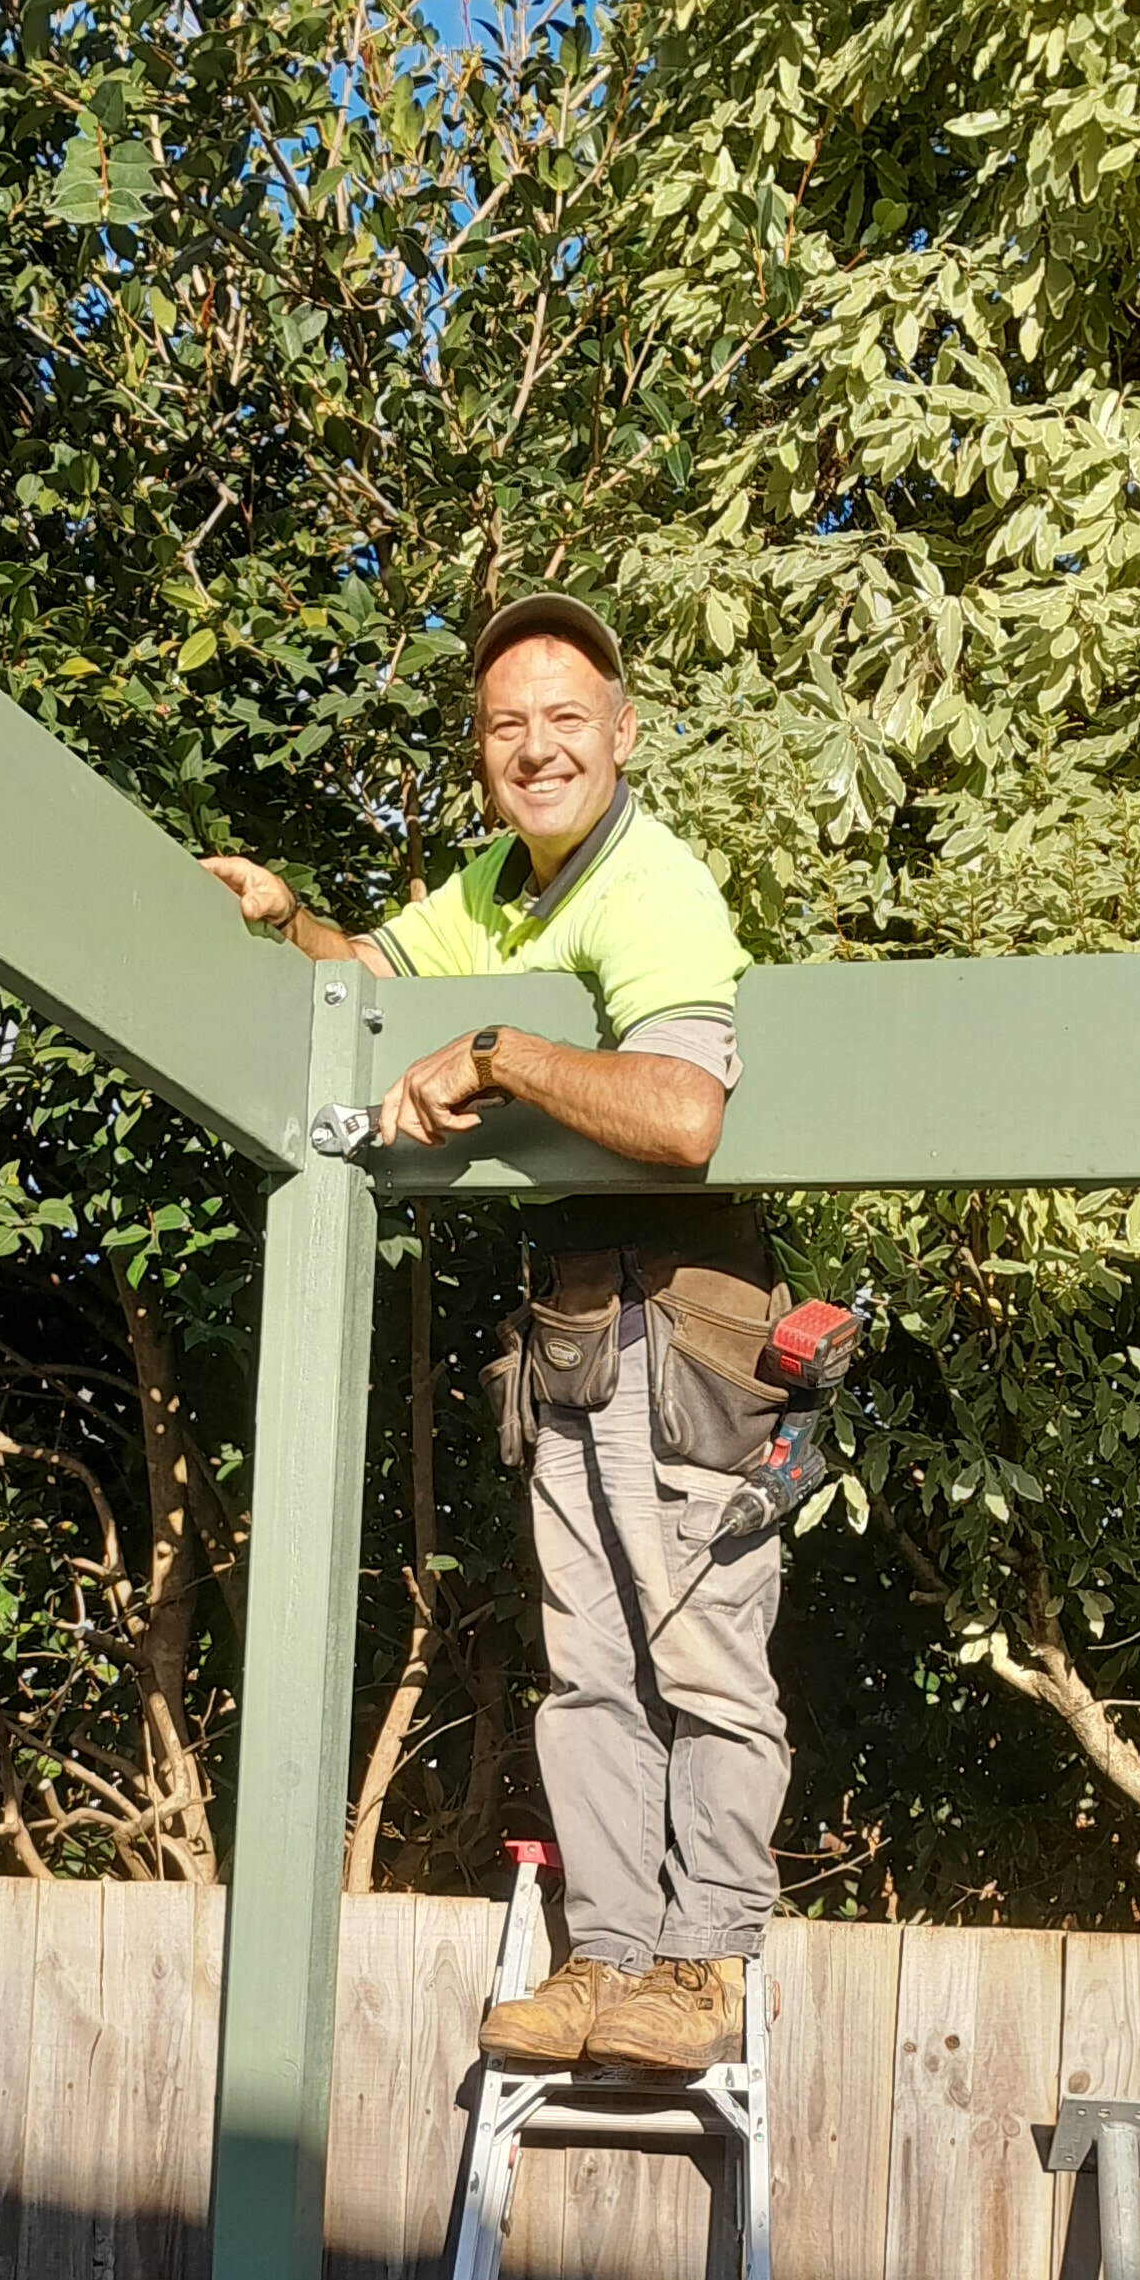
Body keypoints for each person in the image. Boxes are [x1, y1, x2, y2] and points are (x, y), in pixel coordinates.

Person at [204, 593, 794, 2080]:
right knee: (590, 1666)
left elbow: (683, 1115)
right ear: (482, 754)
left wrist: (500, 1056)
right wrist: (295, 928)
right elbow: (383, 984)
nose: (535, 749)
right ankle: (604, 1960)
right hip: (575, 1328)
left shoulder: (650, 885)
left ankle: (703, 1962)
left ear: (621, 734)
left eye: (564, 720)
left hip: (690, 1318)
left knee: (701, 1663)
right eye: (505, 726)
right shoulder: (502, 890)